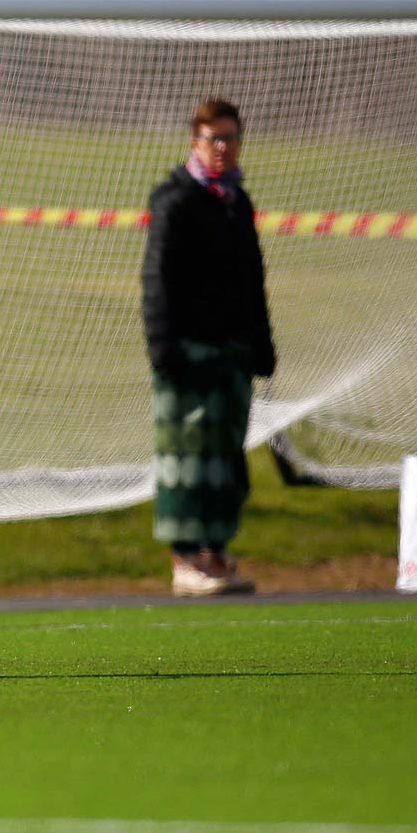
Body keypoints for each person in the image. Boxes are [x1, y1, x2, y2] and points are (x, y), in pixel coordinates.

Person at [141, 98, 276, 597]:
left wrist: (261, 345)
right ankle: (185, 557)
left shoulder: (237, 202)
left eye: (232, 137)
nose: (224, 147)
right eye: (214, 138)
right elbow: (157, 280)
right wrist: (163, 347)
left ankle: (216, 554)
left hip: (232, 353)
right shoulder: (173, 199)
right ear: (195, 142)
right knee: (186, 458)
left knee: (226, 458)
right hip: (187, 353)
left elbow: (253, 279)